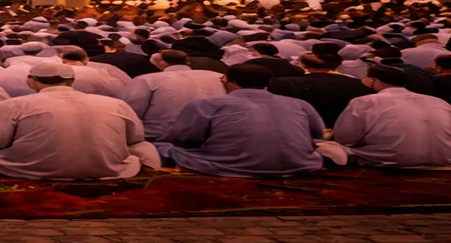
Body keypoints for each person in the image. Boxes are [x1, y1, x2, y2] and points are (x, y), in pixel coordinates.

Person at [0, 62, 158, 179]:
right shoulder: (114, 104)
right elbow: (135, 139)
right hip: (109, 167)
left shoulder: (14, 105)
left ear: (30, 81)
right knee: (144, 147)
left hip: (28, 168)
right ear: (72, 81)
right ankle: (155, 179)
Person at [158, 62, 324, 177]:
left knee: (161, 146)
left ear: (231, 81)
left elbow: (182, 138)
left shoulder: (207, 104)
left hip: (227, 165)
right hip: (297, 164)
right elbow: (317, 134)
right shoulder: (298, 103)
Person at [329, 65, 451, 168]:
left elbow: (345, 139)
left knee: (328, 147)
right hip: (445, 158)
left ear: (373, 80)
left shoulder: (364, 102)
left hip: (388, 160)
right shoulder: (438, 101)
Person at [121, 50, 225, 140]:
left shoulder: (147, 79)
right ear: (187, 61)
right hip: (213, 136)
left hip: (158, 138)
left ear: (161, 62)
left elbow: (131, 113)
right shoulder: (218, 76)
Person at [266, 52, 372, 128]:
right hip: (344, 126)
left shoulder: (285, 83)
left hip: (300, 127)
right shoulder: (355, 82)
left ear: (303, 65)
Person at [53, 48, 131, 97]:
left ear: (63, 60)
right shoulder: (107, 69)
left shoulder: (55, 70)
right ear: (86, 59)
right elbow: (127, 86)